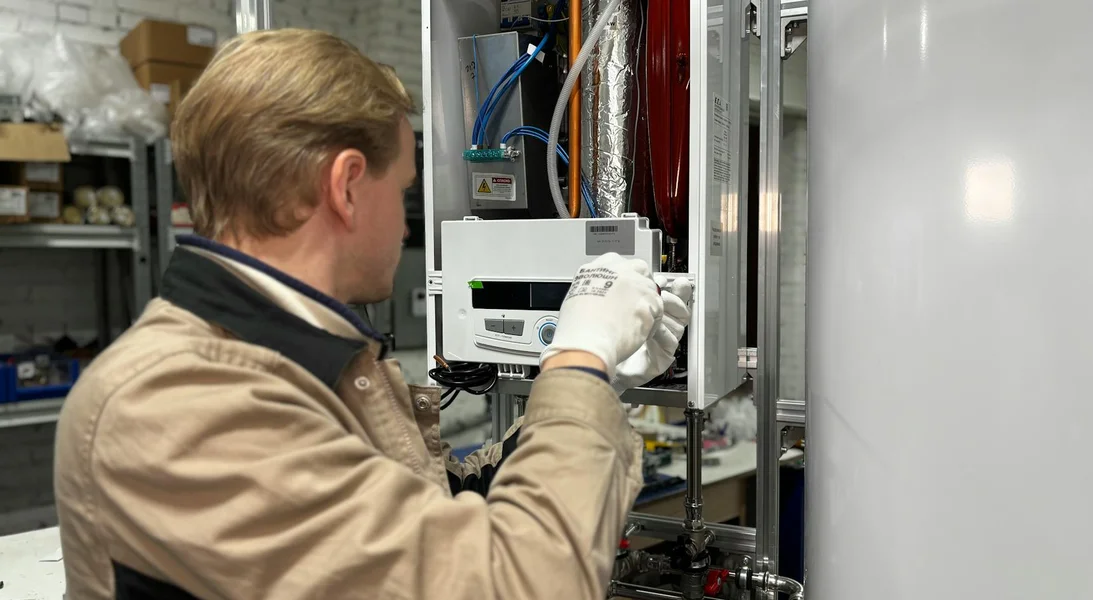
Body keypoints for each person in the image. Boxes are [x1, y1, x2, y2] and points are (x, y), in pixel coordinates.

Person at [54, 29, 692, 600]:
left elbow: (436, 509)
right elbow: (521, 580)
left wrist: (604, 383)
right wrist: (576, 361)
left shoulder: (305, 356)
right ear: (348, 186)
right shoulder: (179, 400)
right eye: (405, 191)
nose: (406, 222)